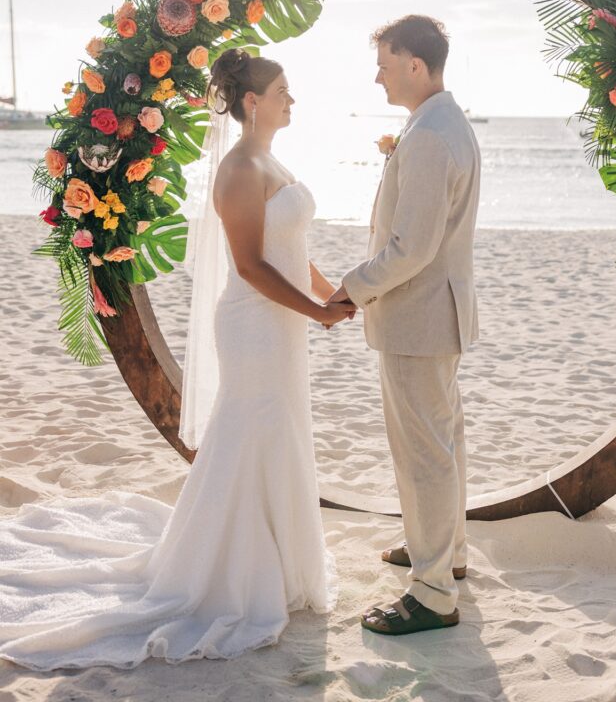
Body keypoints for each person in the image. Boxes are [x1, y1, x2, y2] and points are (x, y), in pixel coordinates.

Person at [0, 48, 352, 669]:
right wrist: (317, 311)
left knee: (283, 428)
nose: (291, 101)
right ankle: (232, 570)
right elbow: (250, 265)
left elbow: (290, 245)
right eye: (283, 92)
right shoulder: (241, 168)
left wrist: (332, 293)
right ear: (252, 101)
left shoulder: (272, 158)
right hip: (255, 326)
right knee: (251, 432)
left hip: (285, 322)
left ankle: (282, 559)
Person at [328, 15, 481, 636]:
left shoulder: (427, 137)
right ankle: (448, 555)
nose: (379, 76)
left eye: (386, 65)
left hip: (419, 316)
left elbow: (410, 247)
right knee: (443, 443)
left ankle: (433, 593)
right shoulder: (444, 122)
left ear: (416, 65)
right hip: (438, 312)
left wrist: (352, 289)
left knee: (425, 455)